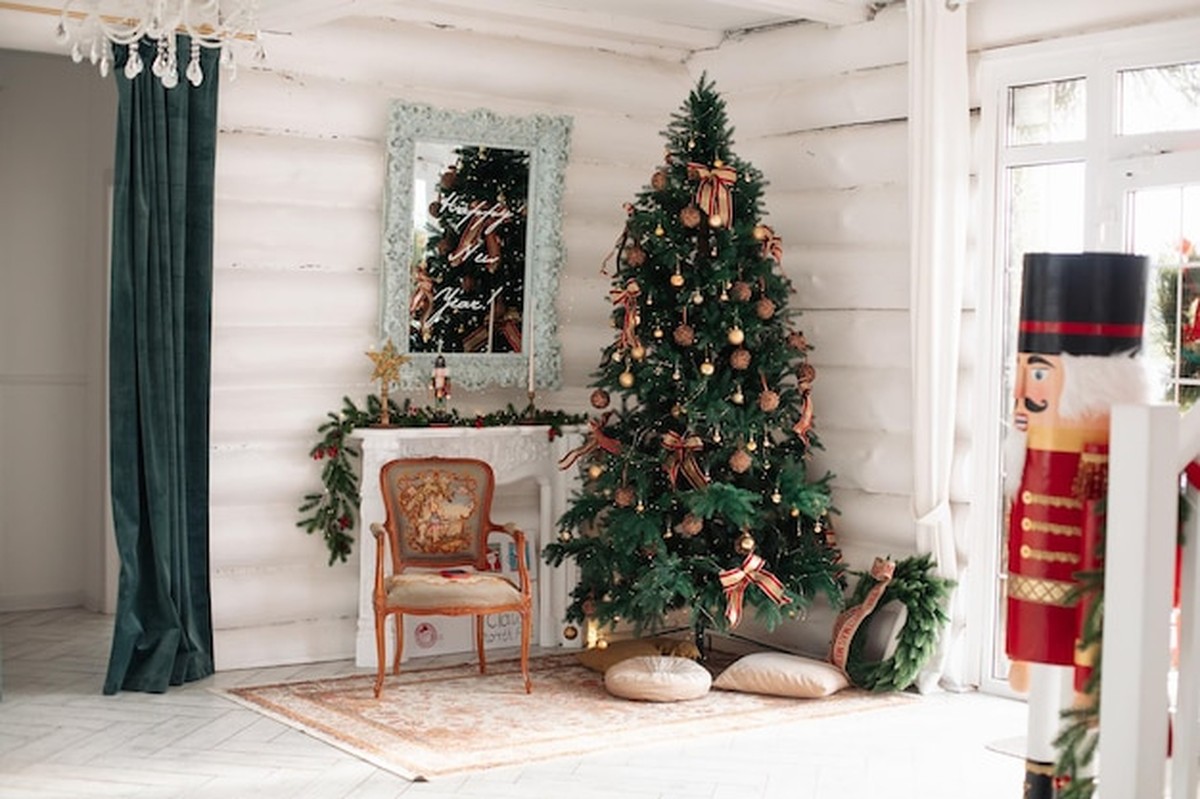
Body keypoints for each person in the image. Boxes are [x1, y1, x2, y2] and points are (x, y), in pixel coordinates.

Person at [1004, 252, 1154, 798]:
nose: (1026, 391)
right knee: (1045, 680)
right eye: (1024, 370)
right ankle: (1039, 773)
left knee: (1075, 684)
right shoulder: (1031, 451)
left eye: (1040, 372)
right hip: (1035, 587)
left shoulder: (1101, 461)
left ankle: (1070, 776)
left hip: (1086, 595)